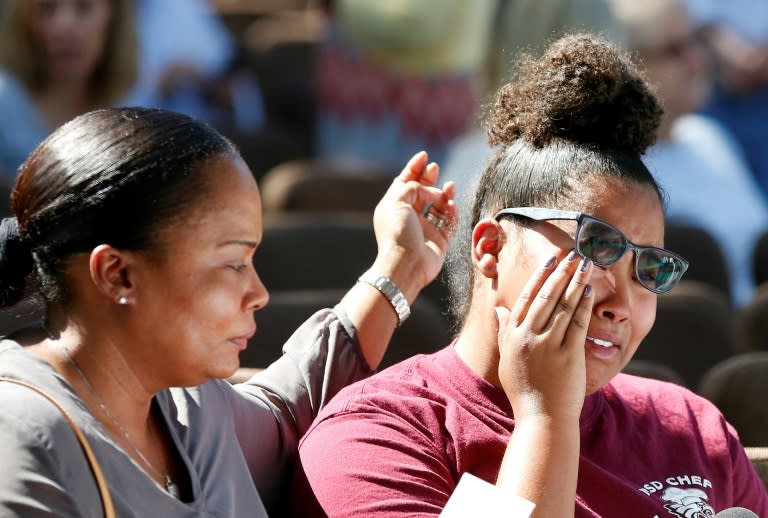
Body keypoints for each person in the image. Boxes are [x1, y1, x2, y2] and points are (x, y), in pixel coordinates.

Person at [290, 34, 768, 517]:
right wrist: (544, 418)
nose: (620, 303)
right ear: (491, 248)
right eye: (598, 247)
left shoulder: (691, 428)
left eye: (649, 268)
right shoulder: (378, 433)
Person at [0, 107, 457, 516]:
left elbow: (290, 402)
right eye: (234, 263)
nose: (258, 293)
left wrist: (400, 269)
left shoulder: (188, 403)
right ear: (118, 274)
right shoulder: (23, 439)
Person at [610, 0, 768, 307]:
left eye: (695, 41)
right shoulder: (616, 170)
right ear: (626, 65)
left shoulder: (709, 136)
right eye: (674, 51)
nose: (697, 61)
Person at [0, 0, 137, 182]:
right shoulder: (4, 104)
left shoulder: (134, 111)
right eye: (47, 7)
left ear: (114, 21)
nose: (63, 27)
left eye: (83, 7)